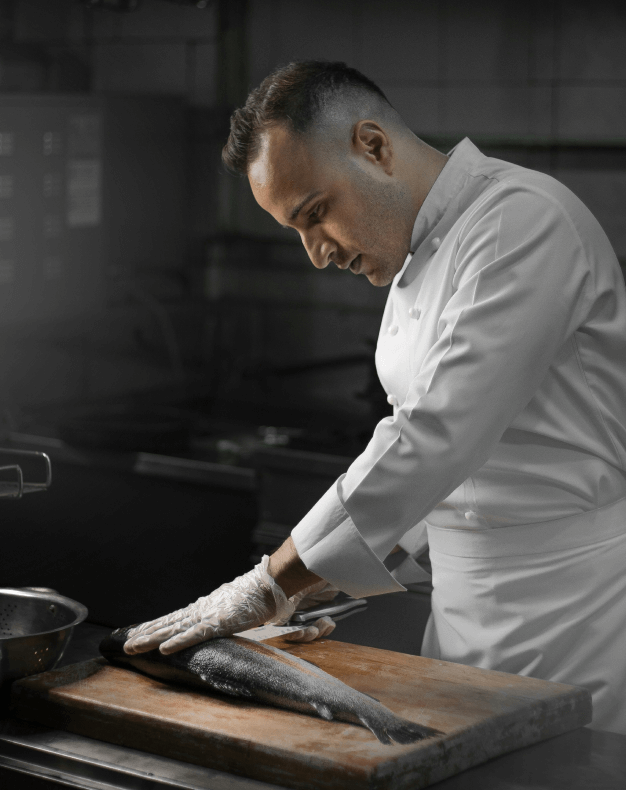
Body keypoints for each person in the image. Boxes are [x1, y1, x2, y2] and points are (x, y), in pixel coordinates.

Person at [124, 61, 626, 735]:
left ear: (374, 146)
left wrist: (272, 581)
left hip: (577, 613)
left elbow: (435, 436)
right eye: (296, 230)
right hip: (461, 624)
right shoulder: (417, 253)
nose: (316, 254)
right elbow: (461, 475)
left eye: (315, 214)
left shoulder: (523, 221)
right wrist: (334, 573)